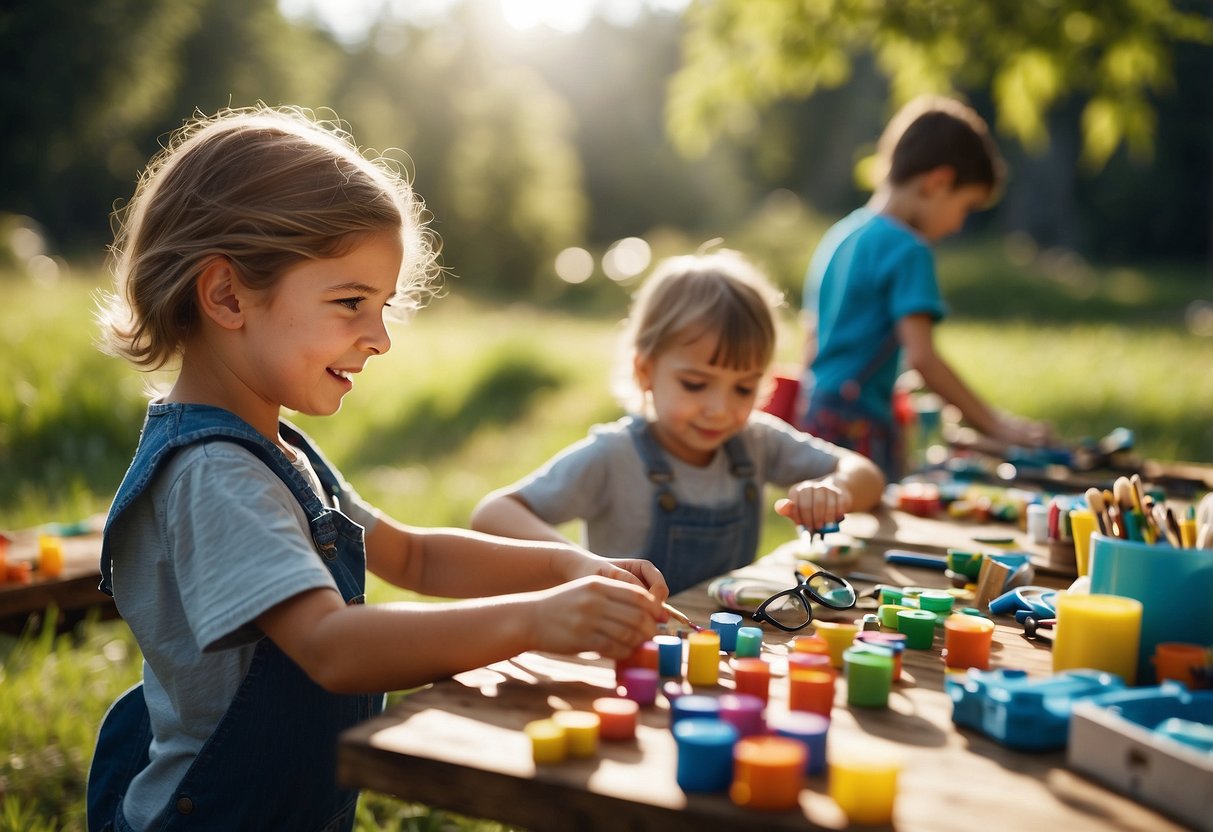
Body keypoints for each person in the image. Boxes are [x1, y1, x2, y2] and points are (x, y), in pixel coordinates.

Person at [85, 106, 668, 832]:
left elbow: (415, 554)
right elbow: (330, 649)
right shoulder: (215, 475)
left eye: (384, 305)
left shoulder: (280, 451)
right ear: (228, 295)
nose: (381, 337)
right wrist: (536, 620)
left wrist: (569, 568)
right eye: (351, 302)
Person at [471, 249, 885, 595]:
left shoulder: (756, 441)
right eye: (695, 384)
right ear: (645, 370)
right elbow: (492, 514)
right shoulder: (613, 456)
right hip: (624, 653)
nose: (720, 409)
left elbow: (867, 476)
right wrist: (579, 564)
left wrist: (836, 489)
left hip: (726, 648)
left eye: (742, 388)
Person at [800, 95, 1053, 482]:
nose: (957, 225)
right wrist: (995, 426)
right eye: (965, 207)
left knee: (824, 529)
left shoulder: (841, 235)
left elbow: (815, 340)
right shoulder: (908, 249)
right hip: (860, 426)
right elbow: (923, 357)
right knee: (874, 530)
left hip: (816, 414)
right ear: (938, 183)